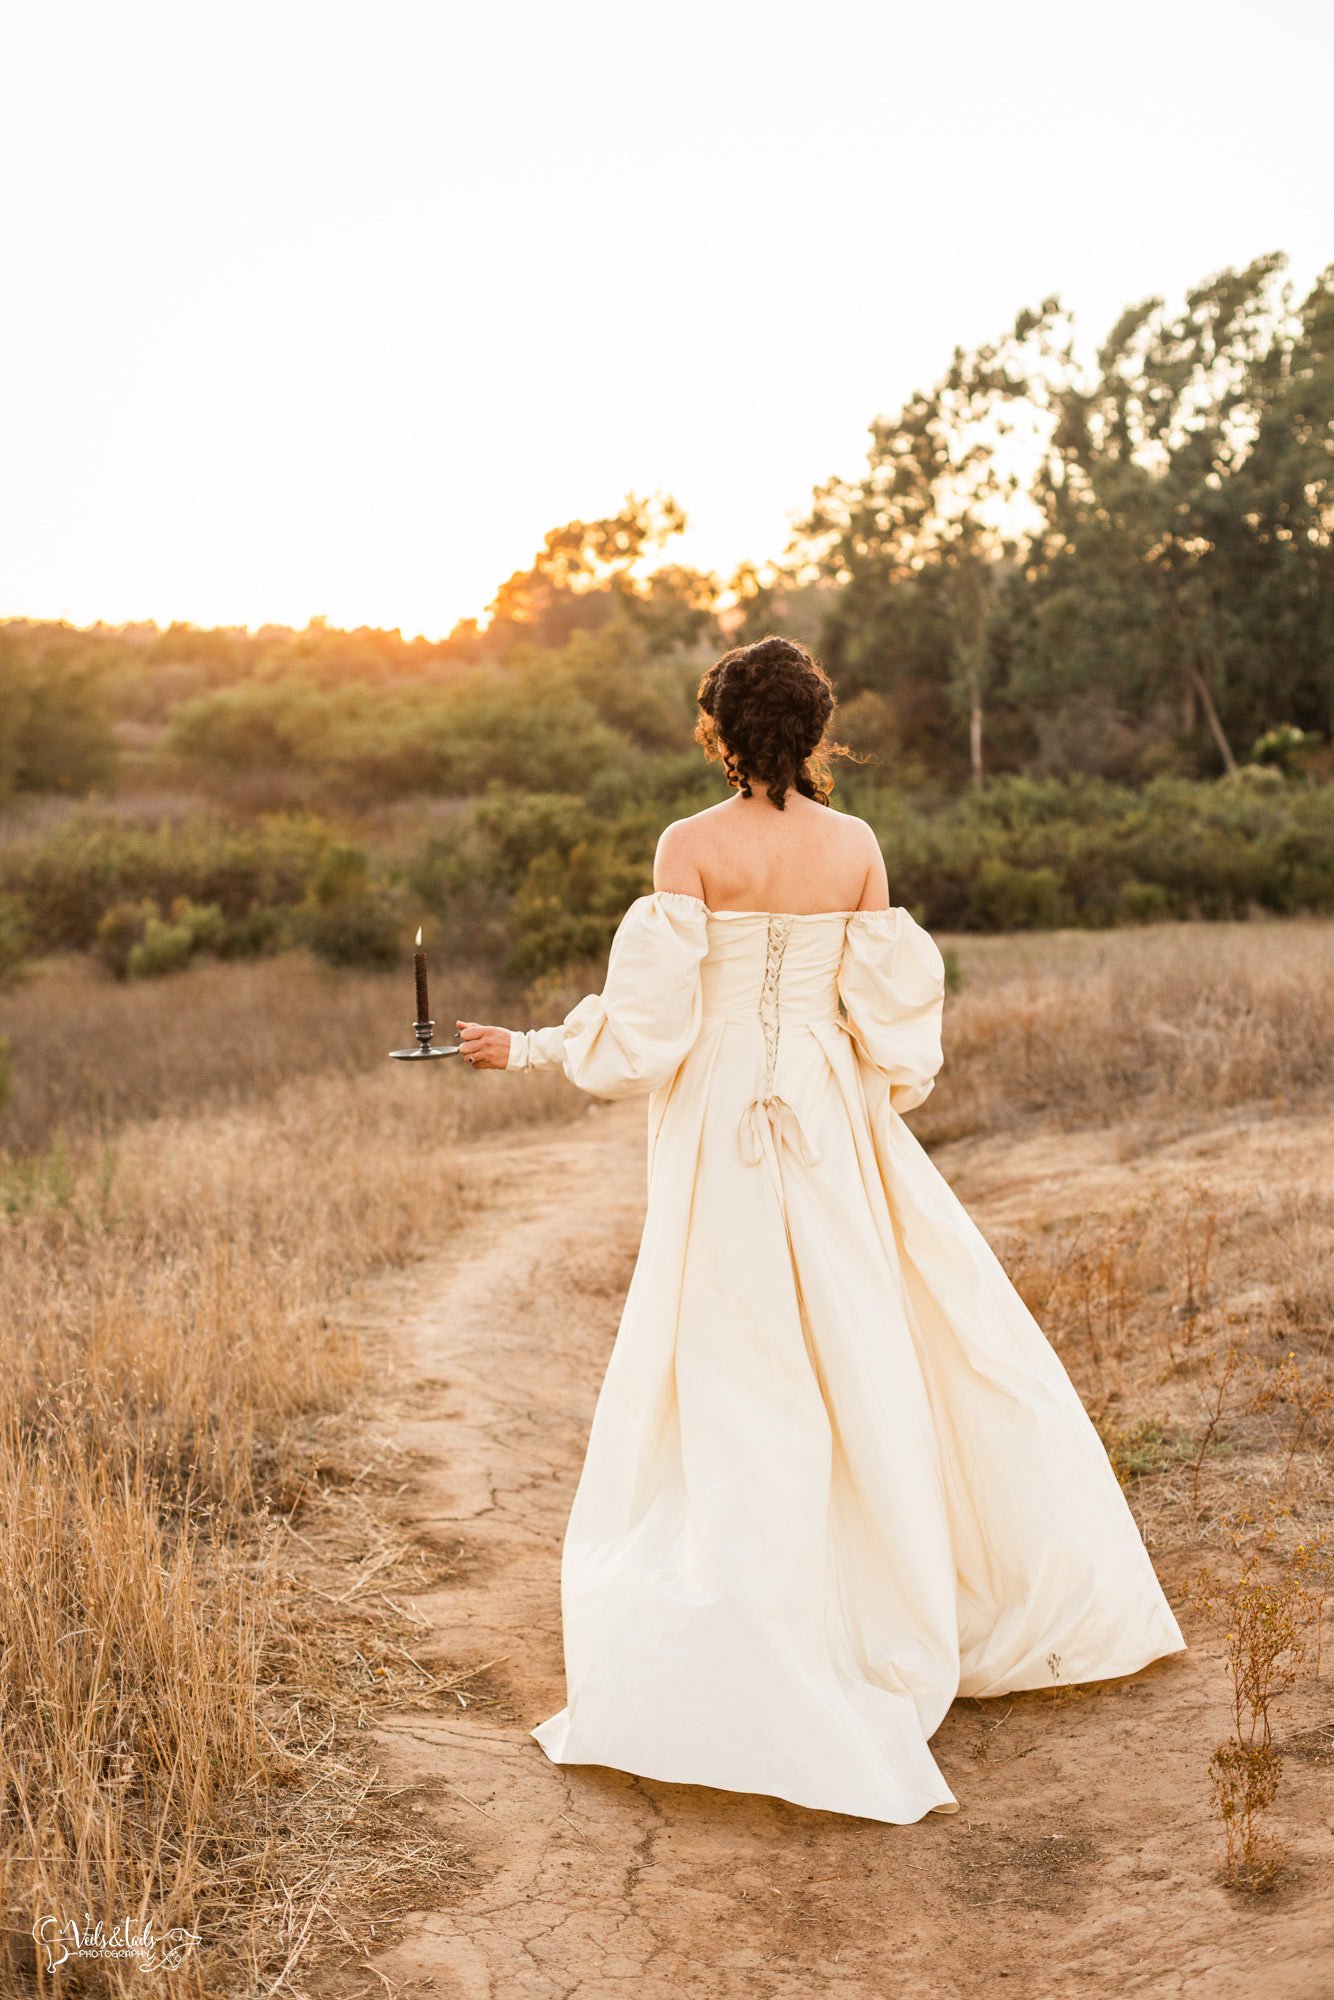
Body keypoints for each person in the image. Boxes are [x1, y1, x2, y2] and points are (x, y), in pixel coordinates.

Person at [454, 633, 1186, 1825]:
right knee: (863, 1341)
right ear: (816, 724)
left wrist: (524, 1043)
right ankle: (876, 1594)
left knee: (737, 1361)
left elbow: (647, 1031)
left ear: (719, 730)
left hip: (717, 1125)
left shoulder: (687, 845)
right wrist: (850, 1087)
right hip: (825, 1110)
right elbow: (895, 1025)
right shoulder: (853, 847)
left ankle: (761, 1616)